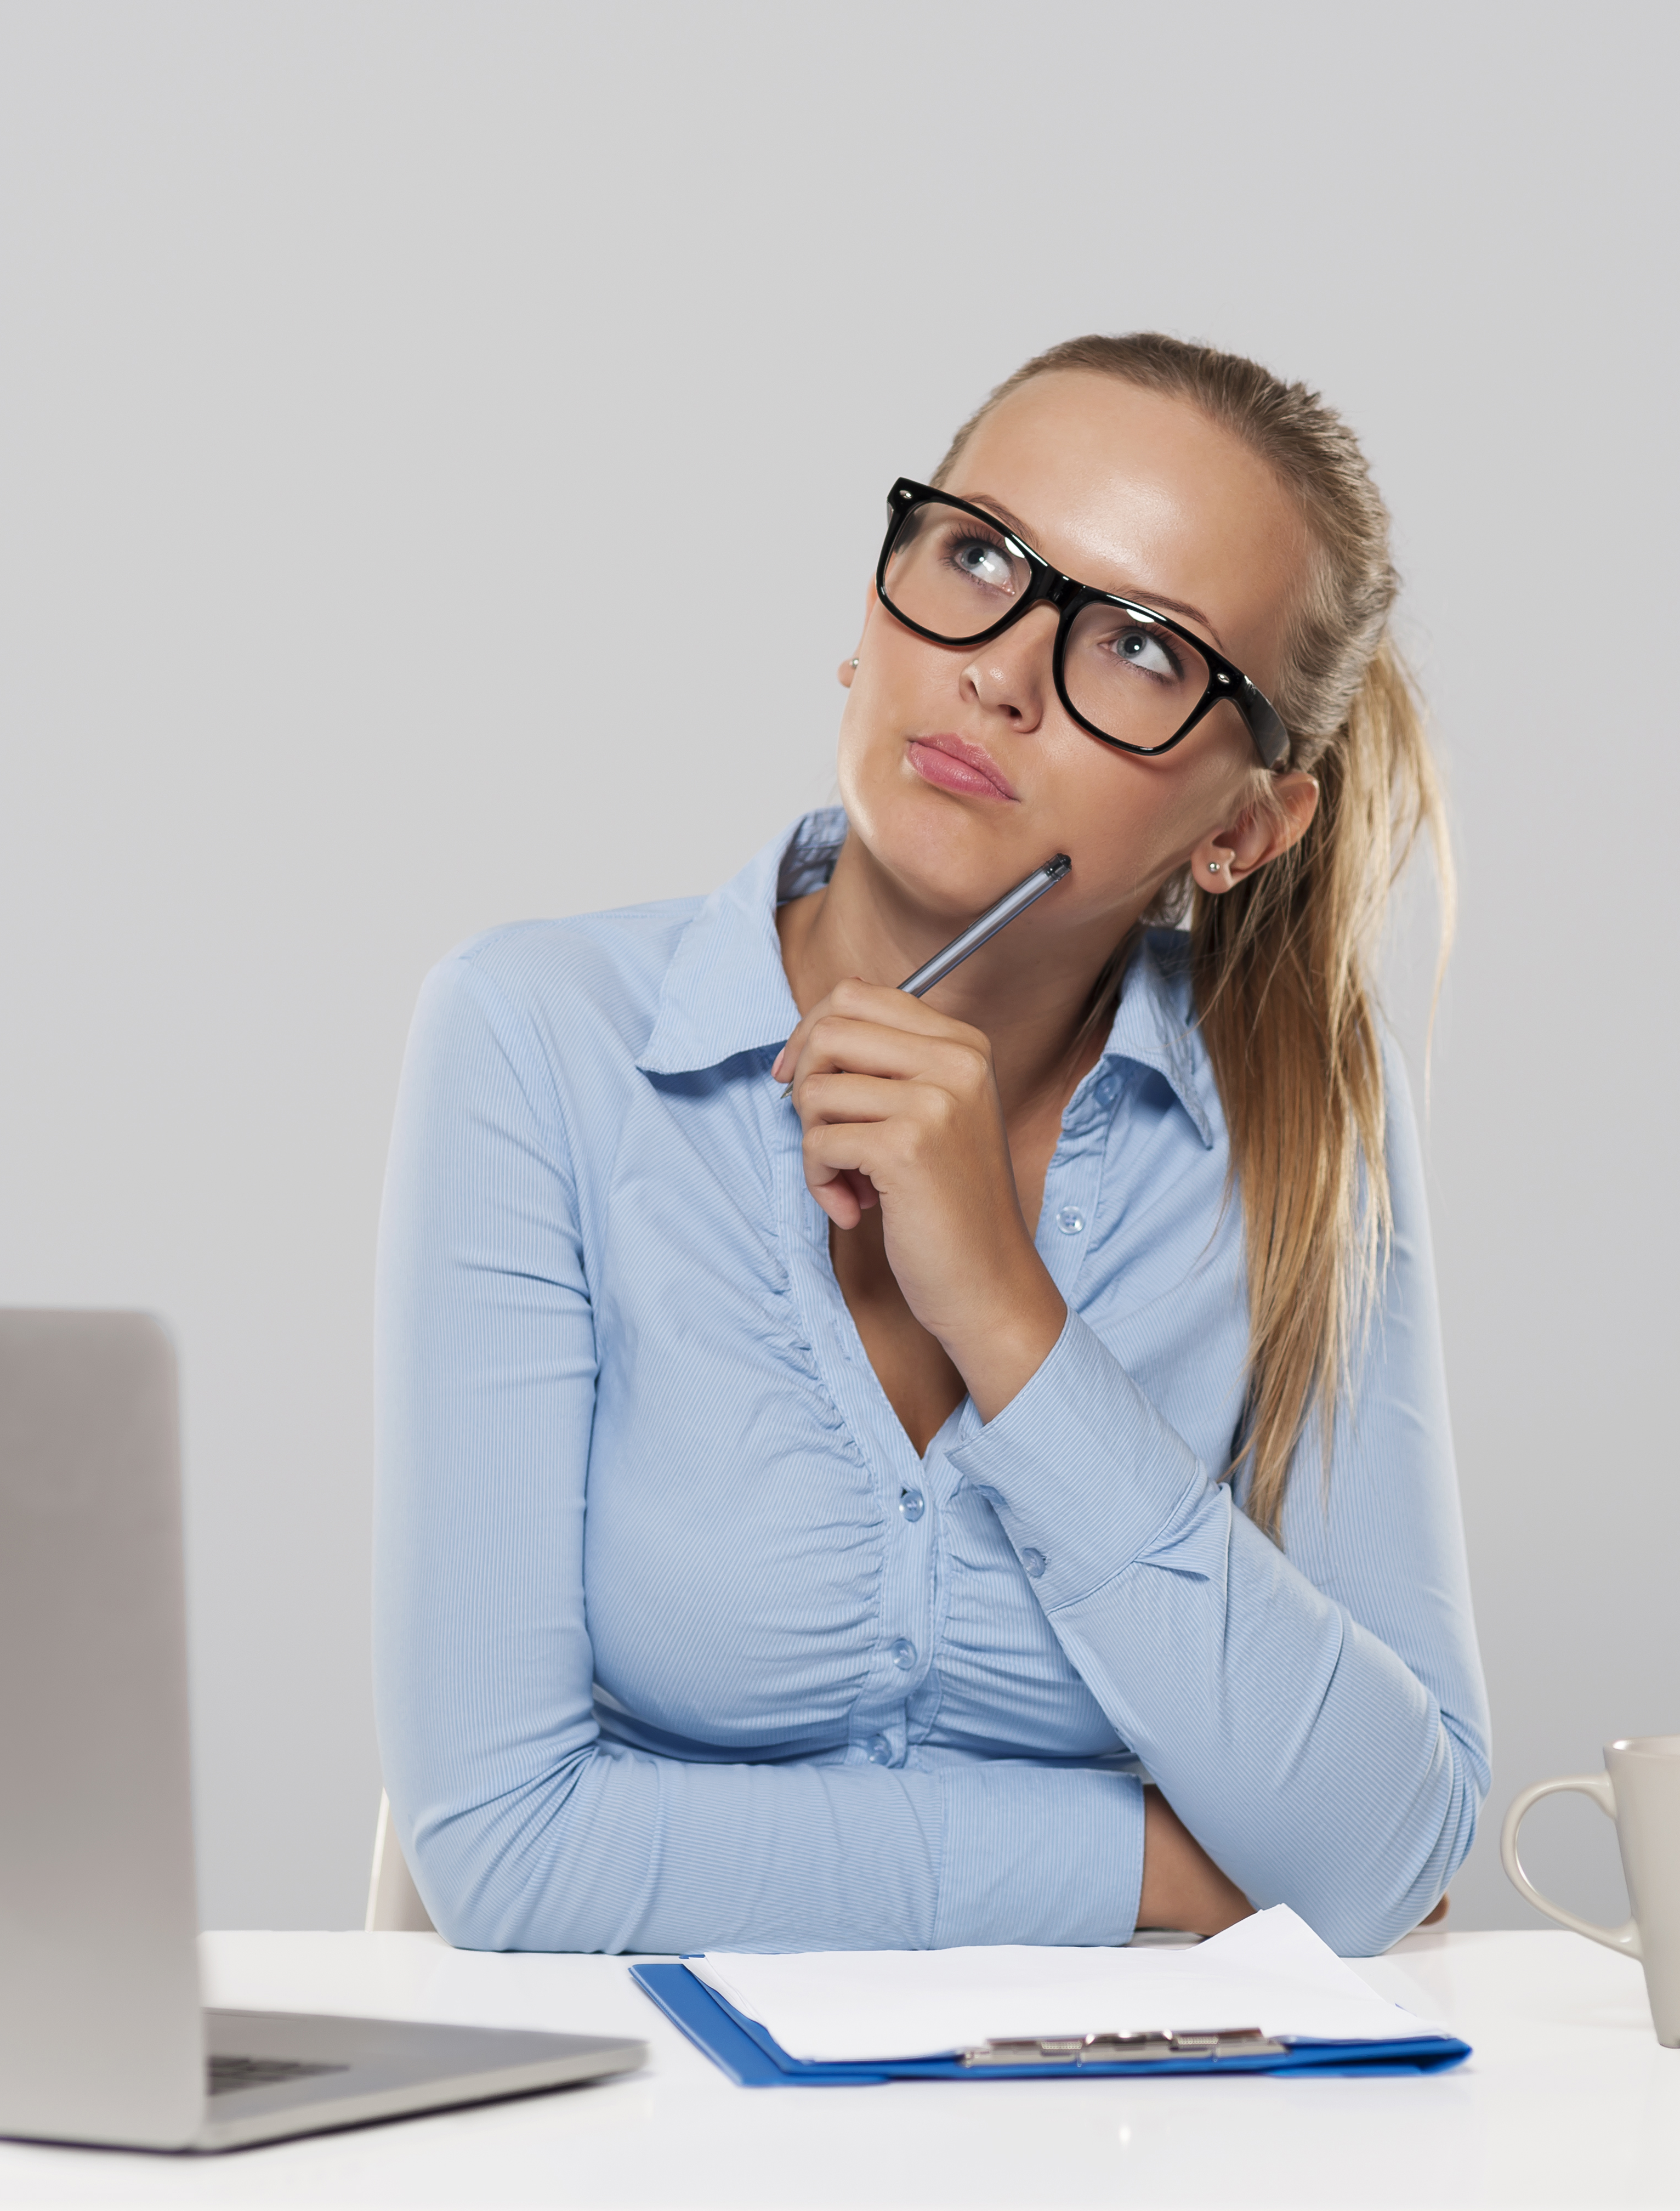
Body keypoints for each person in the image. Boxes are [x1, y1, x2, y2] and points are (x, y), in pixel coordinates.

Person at [373, 333, 1486, 1957]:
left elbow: (1390, 1850)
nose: (1003, 674)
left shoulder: (1300, 1124)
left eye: (1143, 651)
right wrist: (1165, 1873)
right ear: (868, 623)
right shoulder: (537, 1041)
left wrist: (1008, 1322)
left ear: (1245, 828)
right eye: (976, 558)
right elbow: (508, 1853)